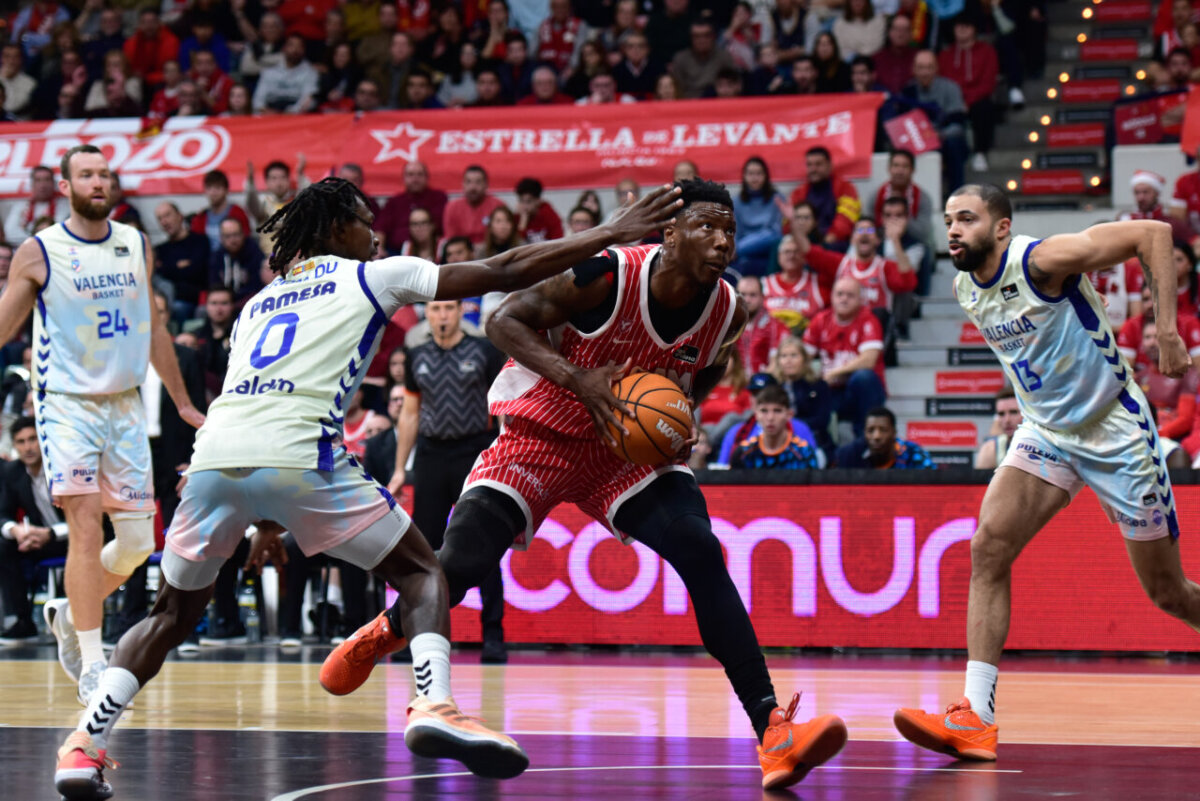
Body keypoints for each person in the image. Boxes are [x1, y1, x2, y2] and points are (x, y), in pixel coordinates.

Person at [52, 176, 684, 799]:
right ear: (335, 230)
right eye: (362, 220)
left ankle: (83, 745)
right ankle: (433, 702)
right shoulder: (371, 276)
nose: (374, 232)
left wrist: (265, 519)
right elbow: (505, 267)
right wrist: (608, 235)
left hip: (216, 458)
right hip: (303, 452)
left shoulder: (256, 304)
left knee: (169, 613)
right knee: (422, 573)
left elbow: (255, 408)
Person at [320, 178, 849, 791]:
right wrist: (579, 378)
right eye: (706, 226)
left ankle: (773, 732)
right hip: (540, 430)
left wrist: (684, 412)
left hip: (622, 447)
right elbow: (503, 320)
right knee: (457, 564)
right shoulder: (606, 274)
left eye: (729, 230)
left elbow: (711, 362)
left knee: (701, 549)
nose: (722, 241)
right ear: (669, 234)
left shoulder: (729, 306)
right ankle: (384, 632)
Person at [893, 184, 1200, 763]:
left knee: (1169, 594)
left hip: (1116, 431)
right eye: (948, 220)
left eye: (967, 219)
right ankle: (975, 716)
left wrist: (1166, 330)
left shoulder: (1039, 261)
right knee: (988, 548)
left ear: (1002, 229)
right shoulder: (964, 287)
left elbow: (1153, 235)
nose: (953, 230)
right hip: (1047, 434)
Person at [0, 145, 204, 707]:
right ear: (64, 187)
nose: (98, 181)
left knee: (138, 542)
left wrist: (183, 403)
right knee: (87, 528)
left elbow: (154, 329)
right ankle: (93, 660)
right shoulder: (39, 252)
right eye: (86, 174)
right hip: (66, 404)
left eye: (104, 173)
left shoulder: (134, 243)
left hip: (125, 404)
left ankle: (71, 610)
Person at [390, 299, 509, 662]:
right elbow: (410, 413)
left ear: (461, 312)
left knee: (482, 544)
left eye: (449, 309)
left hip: (474, 450)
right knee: (422, 549)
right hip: (430, 455)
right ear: (427, 313)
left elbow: (503, 404)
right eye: (436, 309)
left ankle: (493, 634)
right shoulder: (416, 354)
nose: (442, 315)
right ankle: (411, 634)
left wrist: (505, 451)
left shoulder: (484, 350)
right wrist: (399, 468)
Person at [0, 416, 70, 643]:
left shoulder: (64, 467)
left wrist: (50, 534)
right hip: (40, 539)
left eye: (33, 439)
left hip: (74, 536)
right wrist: (16, 531)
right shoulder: (13, 472)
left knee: (83, 545)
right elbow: (3, 514)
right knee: (5, 545)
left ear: (43, 441)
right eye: (20, 442)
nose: (28, 447)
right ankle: (22, 621)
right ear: (14, 445)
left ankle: (69, 620)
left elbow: (92, 519)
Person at [803, 277, 888, 436]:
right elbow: (802, 357)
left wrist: (834, 373)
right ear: (832, 297)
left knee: (863, 377)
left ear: (860, 299)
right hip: (830, 391)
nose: (844, 299)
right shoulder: (821, 320)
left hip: (861, 392)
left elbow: (869, 360)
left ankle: (866, 439)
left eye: (850, 295)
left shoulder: (868, 320)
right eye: (840, 294)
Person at [729, 384, 821, 470]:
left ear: (789, 414)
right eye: (764, 411)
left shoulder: (804, 453)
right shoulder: (743, 453)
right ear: (756, 414)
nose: (770, 418)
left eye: (777, 411)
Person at [835, 406, 935, 468]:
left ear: (894, 432)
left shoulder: (914, 455)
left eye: (883, 430)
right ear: (864, 433)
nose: (876, 436)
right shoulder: (850, 456)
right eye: (871, 430)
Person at [442, 165, 505, 245]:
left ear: (486, 184)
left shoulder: (498, 206)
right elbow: (451, 239)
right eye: (468, 182)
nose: (473, 187)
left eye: (478, 182)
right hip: (462, 254)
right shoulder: (452, 207)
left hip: (492, 253)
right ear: (463, 184)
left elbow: (503, 237)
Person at [973, 384, 1022, 470]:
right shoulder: (990, 450)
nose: (1007, 420)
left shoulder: (1043, 447)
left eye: (1013, 412)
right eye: (1001, 414)